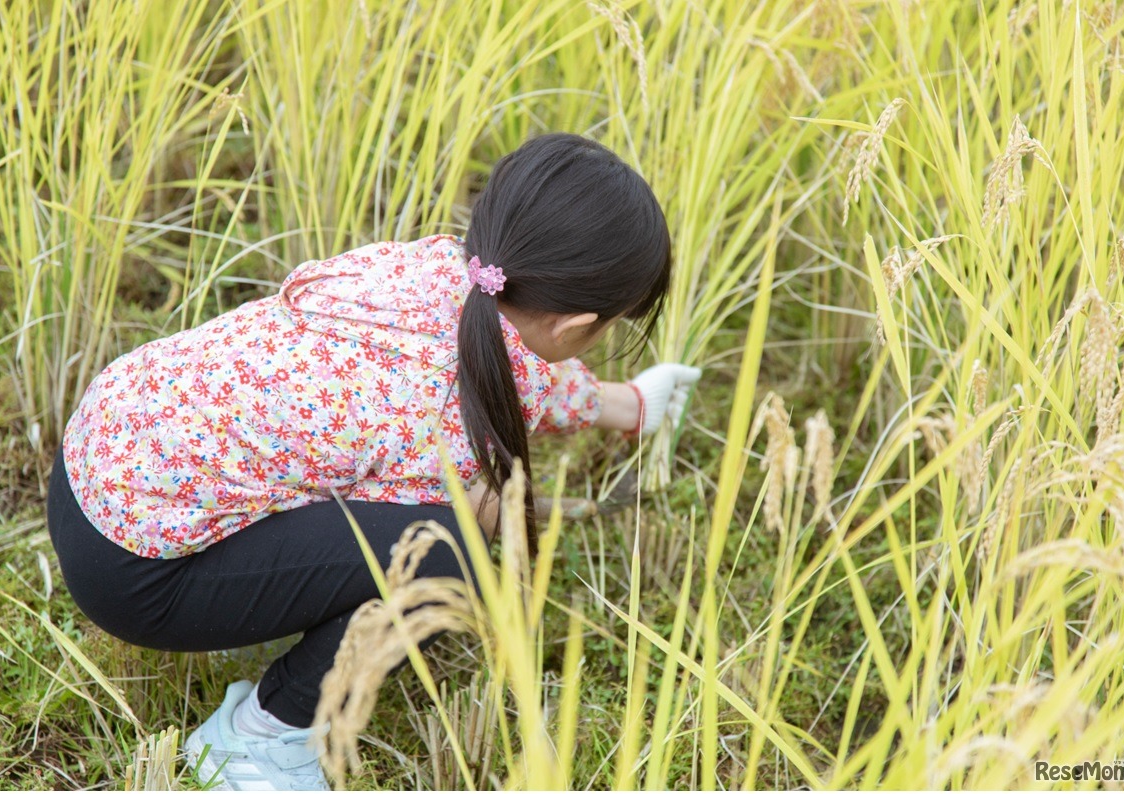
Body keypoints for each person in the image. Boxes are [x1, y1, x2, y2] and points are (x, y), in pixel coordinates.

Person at [45, 132, 701, 790]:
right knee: (447, 559)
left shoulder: (435, 267)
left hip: (92, 464)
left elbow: (511, 364)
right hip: (132, 575)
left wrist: (623, 404)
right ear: (575, 323)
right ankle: (259, 738)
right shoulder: (441, 412)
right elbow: (437, 512)